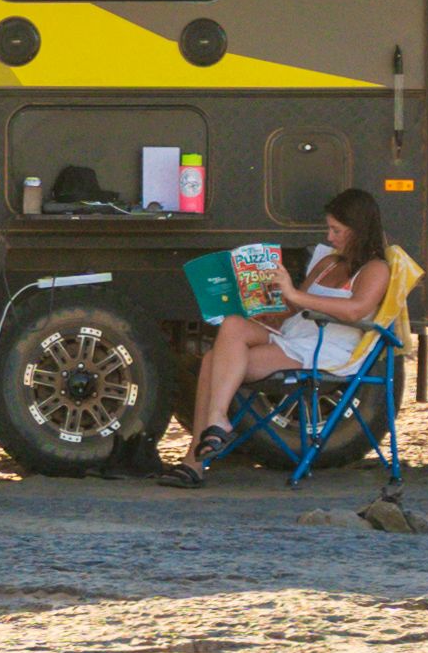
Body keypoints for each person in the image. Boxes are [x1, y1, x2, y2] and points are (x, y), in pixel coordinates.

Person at [166, 189, 391, 484]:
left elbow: (355, 310)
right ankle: (215, 424)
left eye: (337, 230)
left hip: (326, 347)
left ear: (359, 230)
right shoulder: (329, 264)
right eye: (330, 229)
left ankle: (196, 457)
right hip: (296, 332)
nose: (330, 236)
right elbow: (295, 304)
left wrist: (294, 294)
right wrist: (267, 306)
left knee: (212, 362)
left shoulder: (376, 269)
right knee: (233, 323)